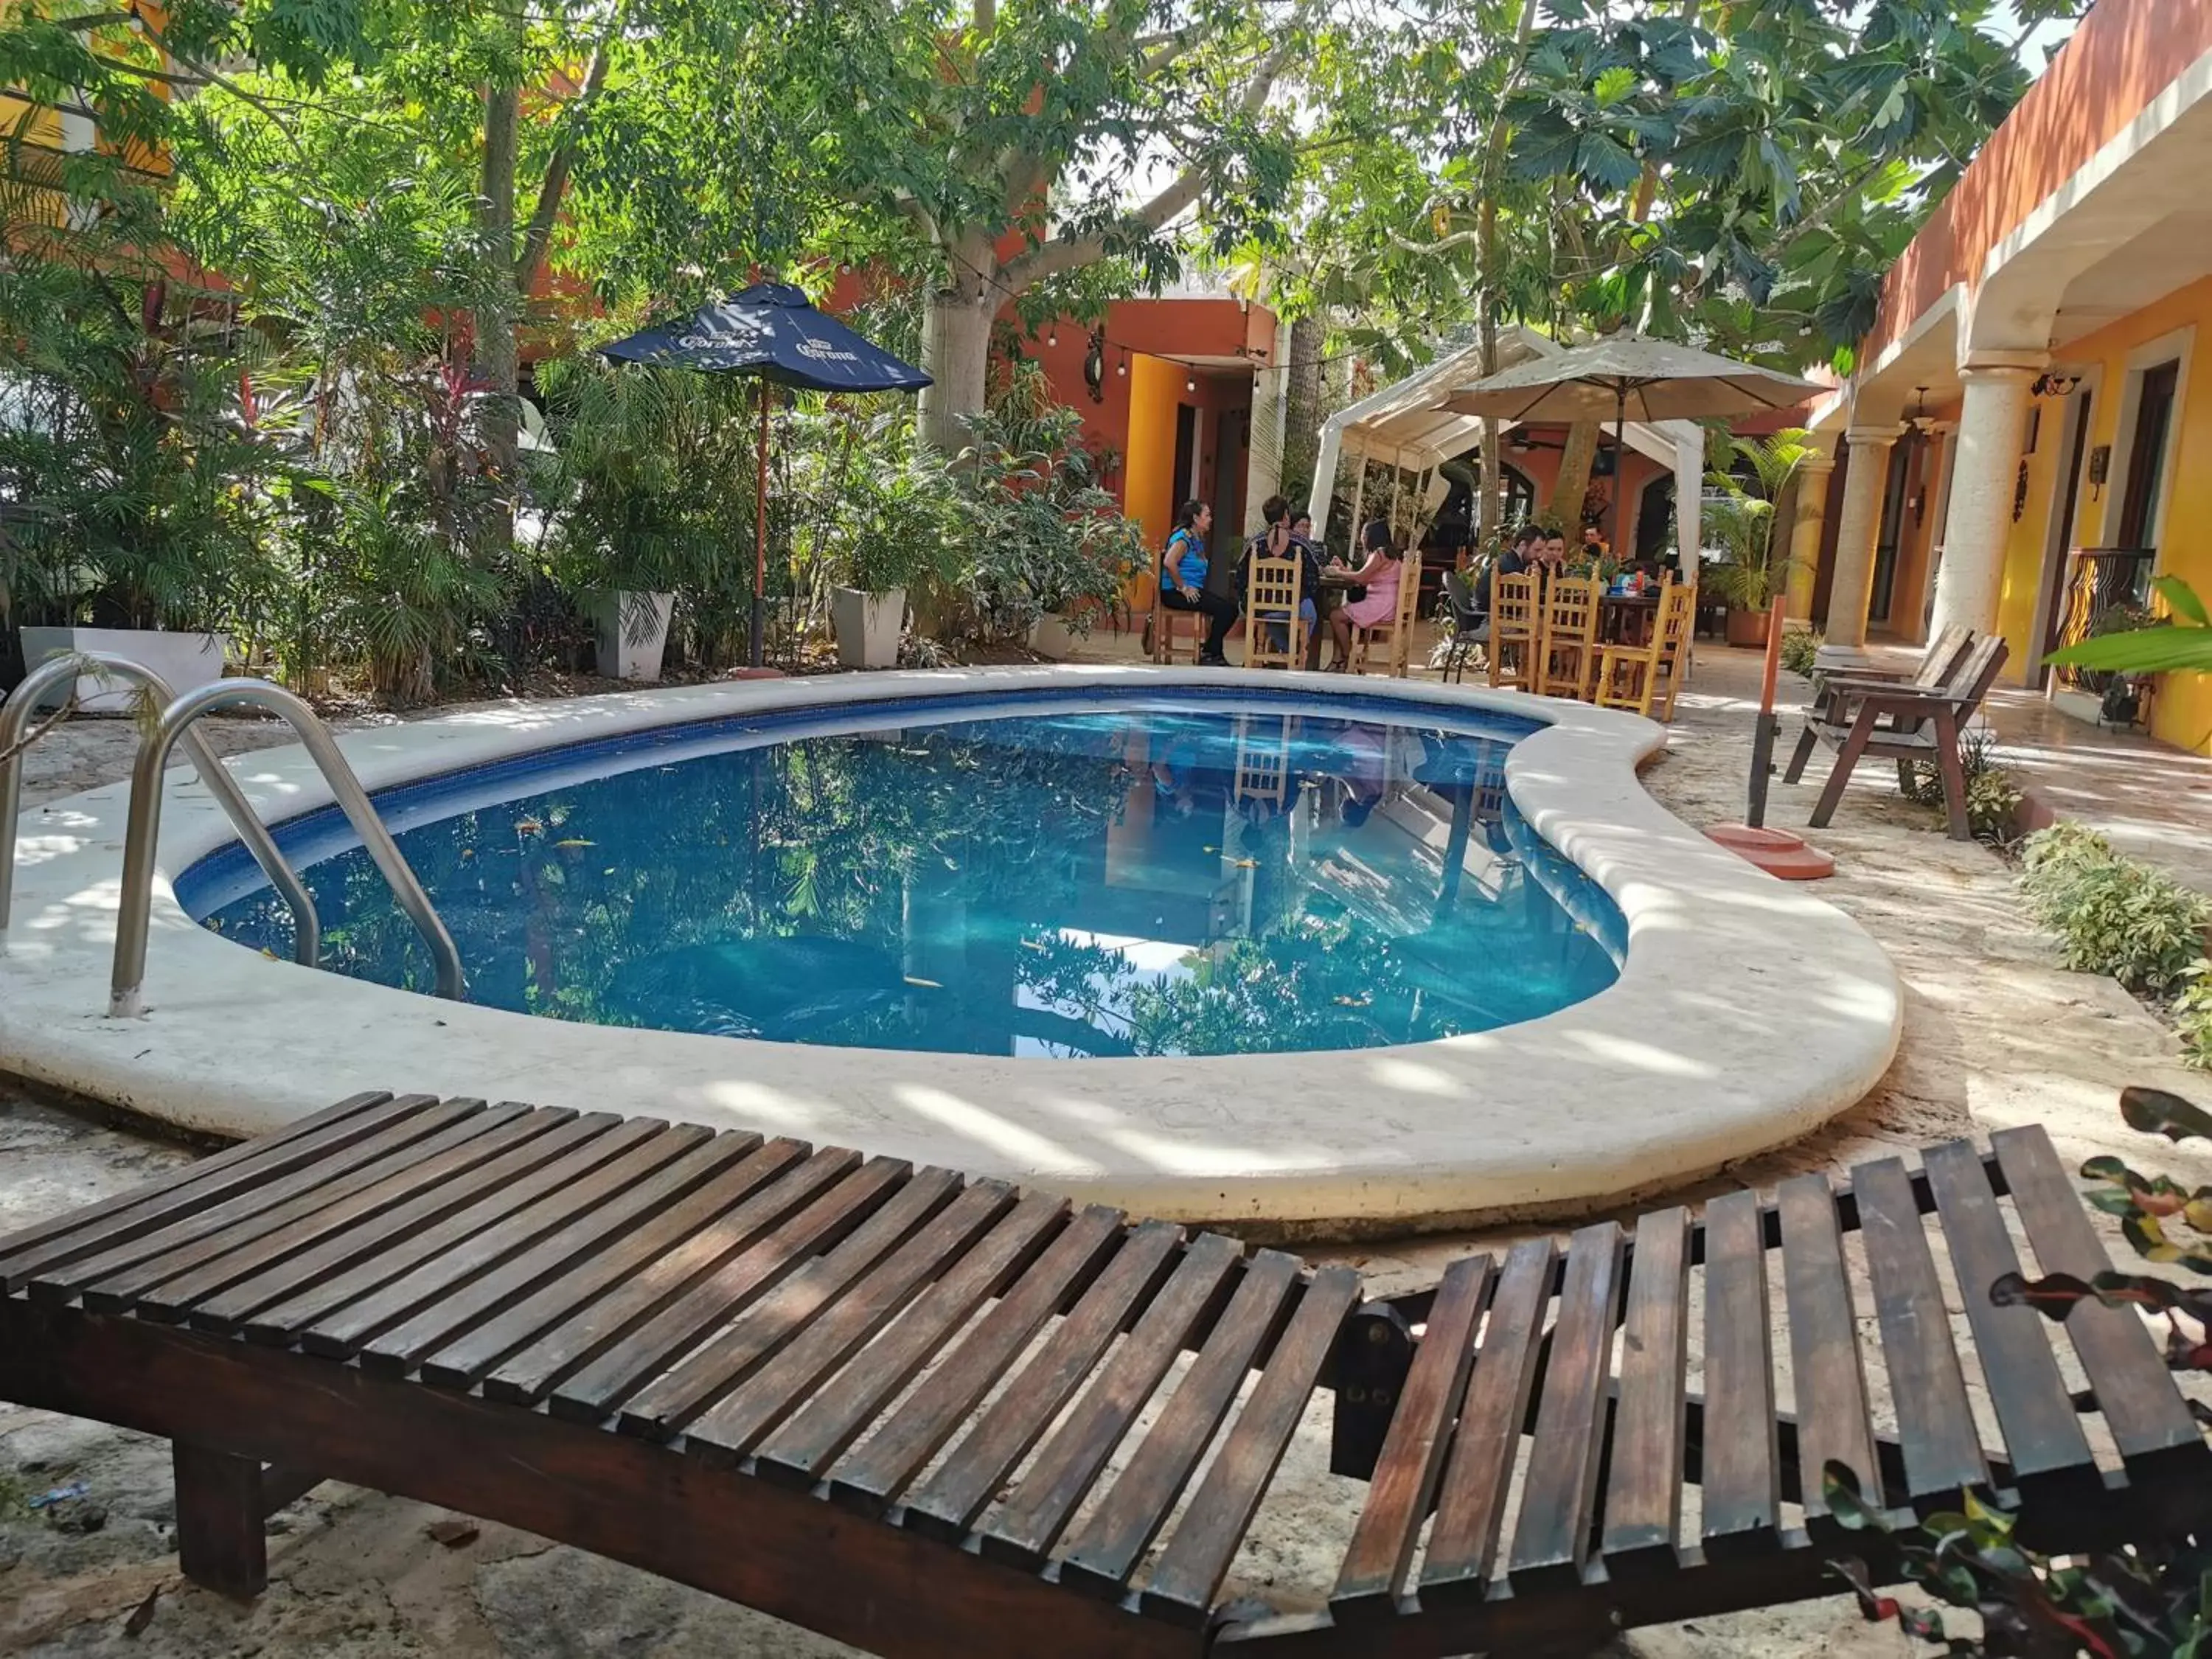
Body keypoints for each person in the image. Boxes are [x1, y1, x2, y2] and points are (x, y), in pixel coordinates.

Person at [1237, 494, 1325, 668]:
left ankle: (1282, 652)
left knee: (1270, 616)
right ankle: (1297, 653)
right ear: (1286, 515)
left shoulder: (1254, 544)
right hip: (1292, 608)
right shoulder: (1301, 544)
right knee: (1310, 612)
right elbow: (1313, 581)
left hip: (1261, 608)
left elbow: (1240, 578)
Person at [1155, 499, 1236, 664]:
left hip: (1192, 590)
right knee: (1226, 611)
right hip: (1175, 593)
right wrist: (1183, 587)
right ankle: (1210, 653)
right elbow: (1169, 562)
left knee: (1229, 608)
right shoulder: (1183, 538)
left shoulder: (1196, 538)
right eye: (1207, 515)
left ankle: (1213, 653)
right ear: (1196, 518)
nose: (1210, 519)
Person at [1327, 518, 1405, 670]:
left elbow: (1361, 578)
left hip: (1380, 605)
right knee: (1339, 613)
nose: (1361, 538)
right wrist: (1343, 569)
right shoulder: (1388, 553)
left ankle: (1348, 656)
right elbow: (1364, 579)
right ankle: (1339, 661)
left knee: (1335, 616)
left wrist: (1337, 573)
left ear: (1371, 536)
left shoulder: (1380, 553)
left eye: (1363, 534)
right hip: (1388, 603)